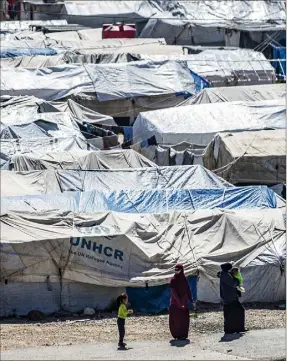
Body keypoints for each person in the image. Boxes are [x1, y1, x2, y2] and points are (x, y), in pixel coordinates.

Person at [219, 263, 247, 334]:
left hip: (227, 297)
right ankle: (237, 328)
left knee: (230, 313)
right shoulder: (226, 275)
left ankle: (231, 329)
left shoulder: (224, 274)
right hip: (230, 298)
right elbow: (233, 283)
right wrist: (237, 280)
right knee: (238, 311)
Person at [169, 264, 195, 340]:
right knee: (176, 320)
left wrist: (191, 300)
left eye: (178, 270)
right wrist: (180, 303)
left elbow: (188, 290)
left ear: (181, 270)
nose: (176, 271)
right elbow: (174, 293)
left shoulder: (184, 279)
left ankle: (183, 335)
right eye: (175, 270)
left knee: (184, 320)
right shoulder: (173, 280)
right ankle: (177, 335)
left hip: (184, 303)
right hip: (175, 304)